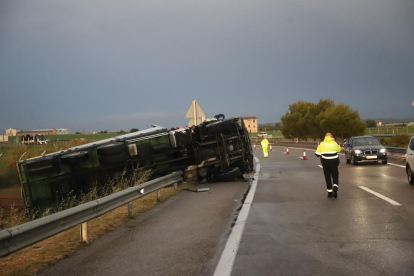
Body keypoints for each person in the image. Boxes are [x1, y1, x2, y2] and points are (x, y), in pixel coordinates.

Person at [315, 133, 342, 198]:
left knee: (327, 177)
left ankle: (330, 193)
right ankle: (335, 186)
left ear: (325, 137)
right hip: (334, 161)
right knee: (335, 175)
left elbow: (317, 154)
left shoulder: (321, 143)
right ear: (331, 137)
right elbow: (339, 150)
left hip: (325, 162)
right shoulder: (335, 143)